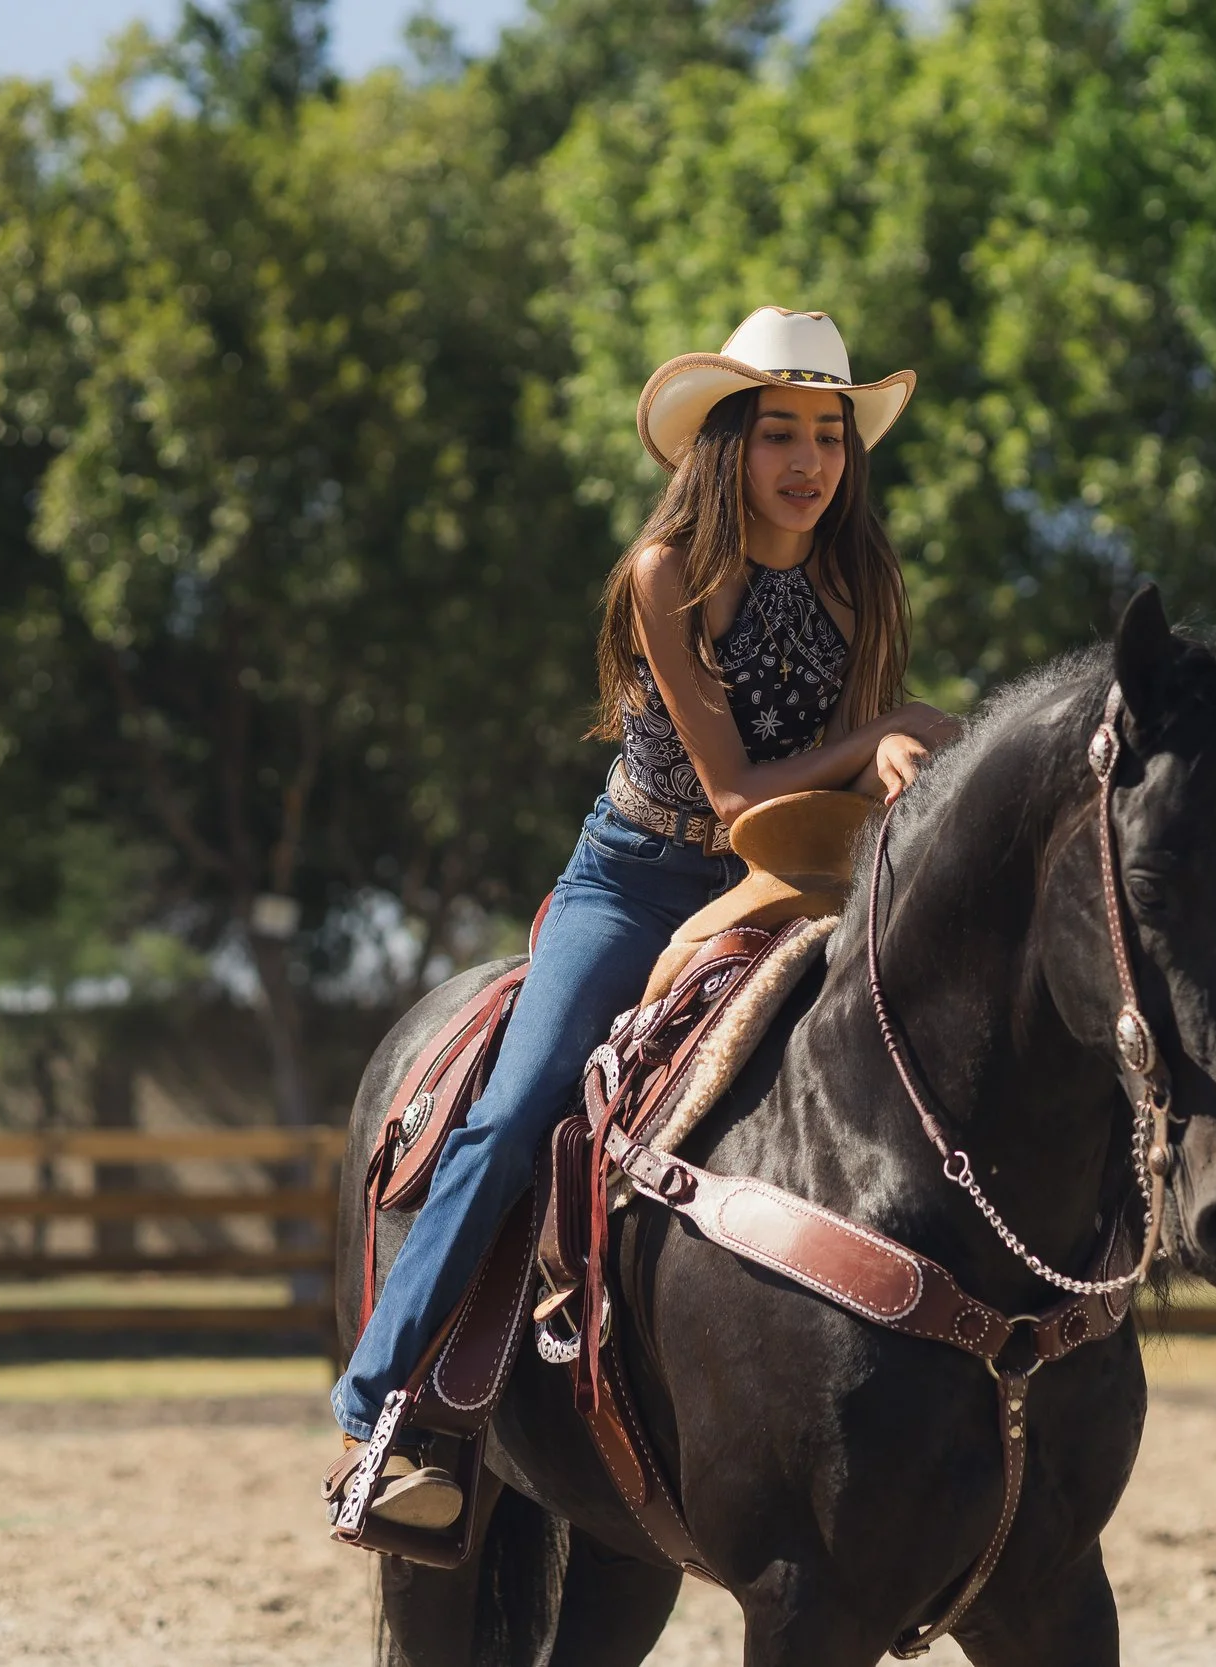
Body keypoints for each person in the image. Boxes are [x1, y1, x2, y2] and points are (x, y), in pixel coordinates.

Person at [329, 307, 962, 1531]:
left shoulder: (860, 577)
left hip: (799, 874)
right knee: (518, 1110)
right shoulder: (667, 574)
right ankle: (386, 1407)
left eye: (829, 435)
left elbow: (829, 787)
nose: (809, 462)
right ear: (723, 445)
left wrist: (894, 768)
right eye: (779, 431)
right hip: (638, 879)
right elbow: (731, 795)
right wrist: (883, 732)